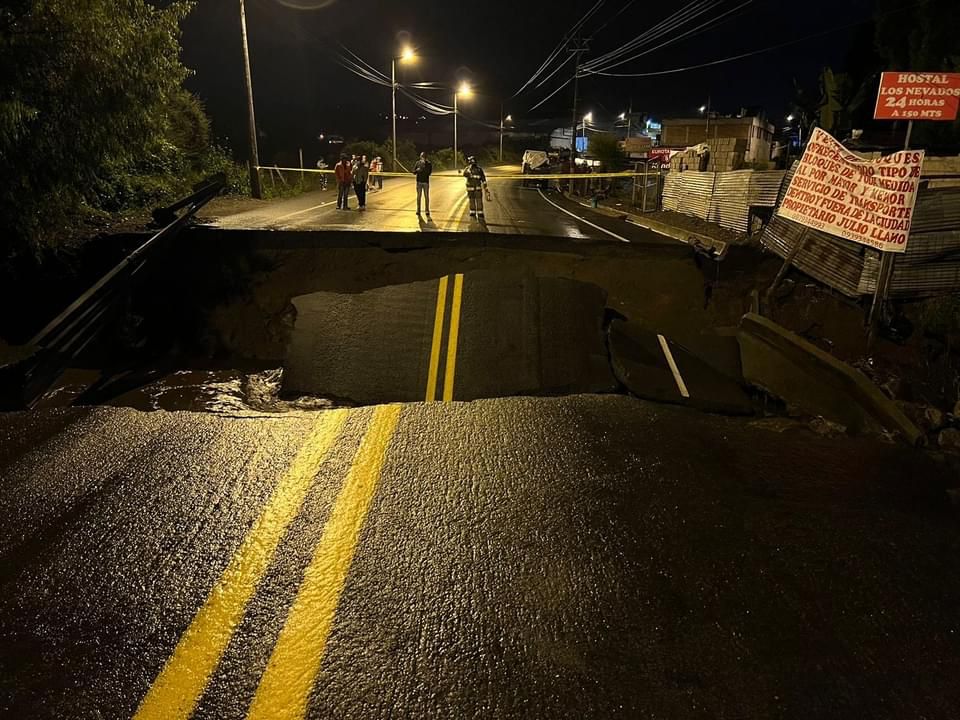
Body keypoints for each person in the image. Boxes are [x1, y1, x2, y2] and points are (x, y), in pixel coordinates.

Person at [413, 151, 432, 217]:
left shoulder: (429, 164)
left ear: (426, 157)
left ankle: (427, 210)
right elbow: (414, 172)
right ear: (420, 157)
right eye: (421, 156)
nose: (422, 158)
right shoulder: (417, 163)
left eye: (424, 156)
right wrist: (417, 170)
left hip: (425, 182)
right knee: (419, 196)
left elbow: (429, 173)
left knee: (426, 197)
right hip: (419, 182)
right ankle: (418, 210)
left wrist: (424, 168)